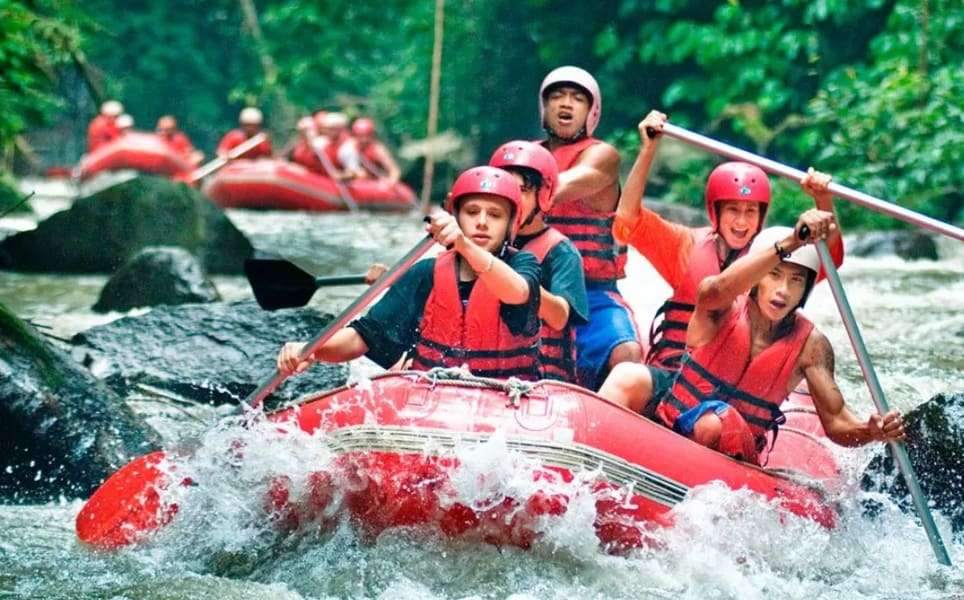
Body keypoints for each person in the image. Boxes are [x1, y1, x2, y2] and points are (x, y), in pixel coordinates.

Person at [599, 216, 905, 465]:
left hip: (730, 454)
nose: (783, 290)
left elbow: (837, 422)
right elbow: (716, 288)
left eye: (796, 280)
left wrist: (870, 431)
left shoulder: (812, 346)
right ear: (757, 276)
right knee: (629, 376)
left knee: (713, 421)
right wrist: (791, 243)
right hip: (672, 421)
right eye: (774, 274)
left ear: (807, 288)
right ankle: (590, 459)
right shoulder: (721, 305)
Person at [613, 110, 845, 402]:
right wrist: (648, 150)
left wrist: (822, 199)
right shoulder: (684, 245)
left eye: (750, 212)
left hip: (731, 392)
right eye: (733, 210)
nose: (741, 222)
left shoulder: (776, 256)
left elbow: (830, 260)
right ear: (715, 211)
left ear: (761, 217)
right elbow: (627, 221)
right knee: (627, 377)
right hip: (676, 374)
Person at [277, 166, 543, 380]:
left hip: (506, 395)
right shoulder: (425, 274)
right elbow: (364, 336)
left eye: (495, 215)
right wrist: (312, 350)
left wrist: (464, 243)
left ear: (511, 225)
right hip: (434, 393)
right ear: (457, 217)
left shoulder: (524, 266)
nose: (482, 222)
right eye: (472, 212)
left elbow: (517, 292)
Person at [538, 66, 641, 390]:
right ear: (544, 107)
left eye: (576, 98)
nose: (565, 104)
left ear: (591, 111)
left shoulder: (602, 156)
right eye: (557, 97)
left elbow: (560, 187)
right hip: (528, 287)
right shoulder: (525, 155)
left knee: (626, 353)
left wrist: (513, 184)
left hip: (591, 292)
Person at [489, 140, 589, 383]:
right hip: (488, 369)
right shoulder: (480, 242)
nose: (512, 197)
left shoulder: (561, 252)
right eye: (506, 188)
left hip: (540, 377)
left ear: (542, 195)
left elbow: (559, 317)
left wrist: (520, 284)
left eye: (522, 190)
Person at [349, 118, 402, 184]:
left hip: (378, 183)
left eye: (367, 135)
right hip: (362, 184)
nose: (363, 139)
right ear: (354, 135)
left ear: (372, 135)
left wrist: (390, 183)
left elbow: (395, 171)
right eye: (360, 135)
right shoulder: (351, 147)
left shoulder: (378, 150)